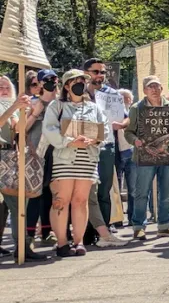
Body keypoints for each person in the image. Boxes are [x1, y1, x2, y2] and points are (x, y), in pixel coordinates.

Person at [42, 70, 110, 257]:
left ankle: (79, 242)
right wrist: (69, 141)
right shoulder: (57, 106)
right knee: (61, 200)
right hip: (64, 159)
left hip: (87, 160)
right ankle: (62, 243)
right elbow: (49, 129)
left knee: (80, 201)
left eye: (83, 81)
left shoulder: (93, 107)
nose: (81, 83)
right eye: (76, 81)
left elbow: (104, 129)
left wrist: (94, 140)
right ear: (66, 86)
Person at [124, 75, 169, 241]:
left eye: (157, 86)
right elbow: (128, 132)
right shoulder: (136, 108)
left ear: (162, 89)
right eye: (150, 87)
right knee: (142, 192)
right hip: (144, 155)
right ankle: (139, 227)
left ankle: (164, 225)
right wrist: (136, 141)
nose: (154, 90)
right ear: (144, 90)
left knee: (168, 191)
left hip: (168, 156)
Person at [0, 77, 47, 260]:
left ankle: (22, 246)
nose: (4, 89)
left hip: (11, 156)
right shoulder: (8, 106)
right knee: (13, 203)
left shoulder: (12, 106)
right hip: (2, 155)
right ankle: (22, 246)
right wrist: (15, 107)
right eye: (0, 87)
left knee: (18, 203)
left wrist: (27, 112)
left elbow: (19, 131)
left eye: (7, 87)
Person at [83, 58, 124, 244]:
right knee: (85, 191)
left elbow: (126, 118)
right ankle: (85, 231)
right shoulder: (77, 93)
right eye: (95, 72)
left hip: (107, 145)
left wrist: (121, 124)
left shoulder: (112, 94)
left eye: (102, 72)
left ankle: (104, 231)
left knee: (104, 190)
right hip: (83, 147)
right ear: (86, 73)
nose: (100, 76)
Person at [25, 69, 59, 245]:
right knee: (35, 193)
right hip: (36, 153)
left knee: (51, 193)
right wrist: (35, 112)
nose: (50, 83)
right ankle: (29, 234)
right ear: (38, 84)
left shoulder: (61, 104)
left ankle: (48, 231)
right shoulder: (32, 103)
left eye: (54, 79)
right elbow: (22, 129)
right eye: (46, 80)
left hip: (58, 153)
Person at [116, 89, 136, 224]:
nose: (125, 100)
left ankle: (133, 217)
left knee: (133, 187)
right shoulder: (113, 111)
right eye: (122, 98)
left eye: (127, 98)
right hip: (116, 152)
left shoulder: (133, 112)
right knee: (115, 187)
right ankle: (117, 218)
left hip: (131, 151)